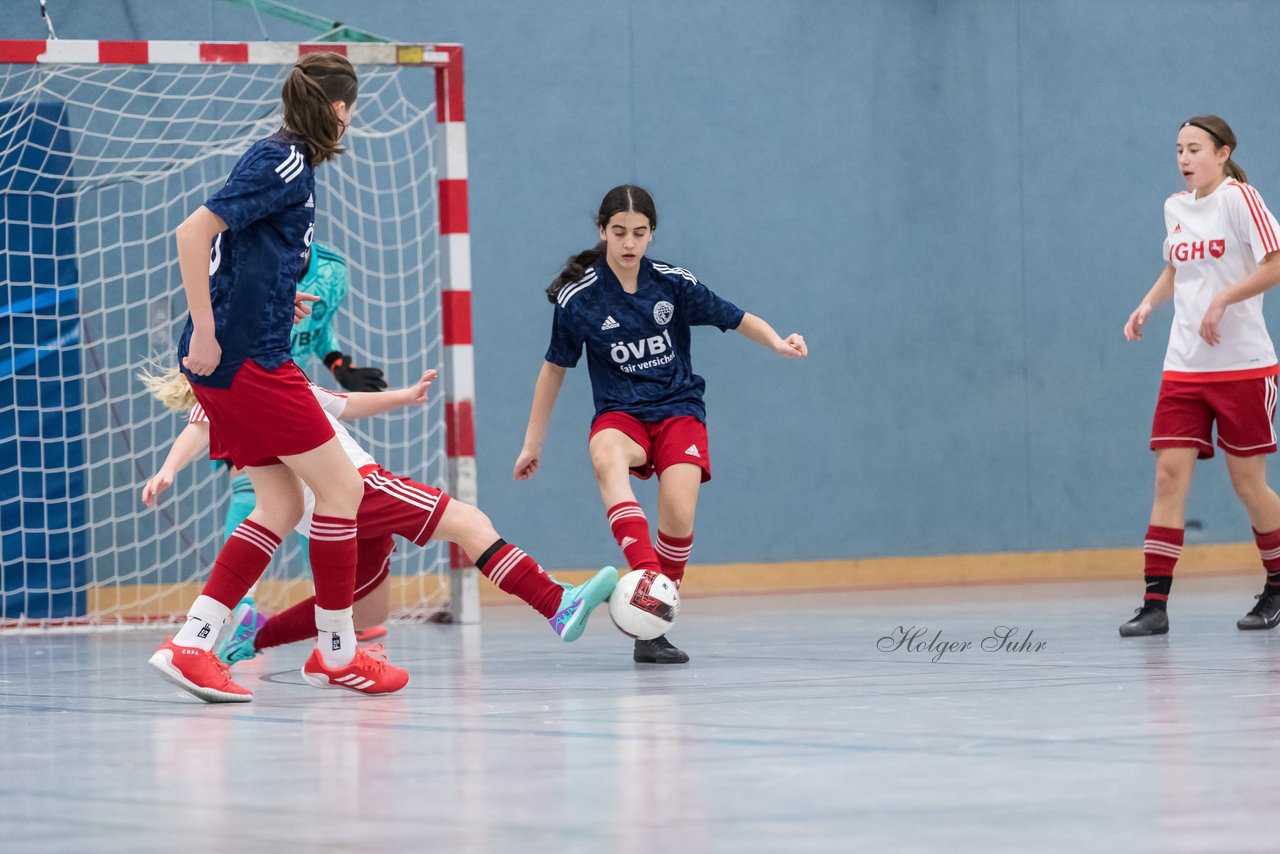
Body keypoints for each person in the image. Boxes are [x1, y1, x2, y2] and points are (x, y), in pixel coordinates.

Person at [147, 51, 404, 703]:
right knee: (343, 491)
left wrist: (277, 293)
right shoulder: (283, 160)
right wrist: (207, 328)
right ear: (339, 111)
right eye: (352, 113)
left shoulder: (289, 163)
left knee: (283, 503)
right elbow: (193, 232)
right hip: (248, 360)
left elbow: (243, 249)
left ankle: (192, 644)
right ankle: (338, 652)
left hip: (245, 348)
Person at [140, 368, 619, 663]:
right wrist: (167, 468)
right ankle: (557, 604)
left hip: (330, 504)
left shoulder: (282, 376)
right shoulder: (234, 382)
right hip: (355, 485)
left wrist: (404, 396)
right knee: (469, 523)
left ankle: (255, 637)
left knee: (366, 609)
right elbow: (198, 426)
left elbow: (341, 404)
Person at [513, 185, 809, 664]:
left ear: (652, 235)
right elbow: (554, 368)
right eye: (619, 232)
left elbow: (735, 317)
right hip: (621, 413)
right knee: (607, 458)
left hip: (678, 409)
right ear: (602, 232)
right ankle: (647, 590)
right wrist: (533, 443)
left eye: (639, 233)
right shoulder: (579, 298)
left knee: (678, 513)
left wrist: (777, 342)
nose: (629, 242)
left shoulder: (674, 283)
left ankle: (649, 632)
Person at [1120, 115, 1280, 637]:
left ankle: (1277, 585)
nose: (1184, 158)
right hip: (1185, 368)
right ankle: (1154, 604)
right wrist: (1146, 304)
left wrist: (1225, 298)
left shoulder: (1240, 199)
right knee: (1168, 477)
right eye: (1178, 150)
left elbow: (1275, 262)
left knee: (1248, 486)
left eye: (1194, 149)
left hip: (1244, 369)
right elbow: (1175, 266)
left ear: (1222, 151)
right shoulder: (1175, 208)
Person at [222, 240, 390, 642]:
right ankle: (234, 612)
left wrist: (338, 363)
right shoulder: (245, 264)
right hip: (244, 381)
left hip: (291, 386)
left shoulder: (331, 273)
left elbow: (318, 330)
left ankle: (333, 607)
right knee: (253, 493)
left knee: (312, 499)